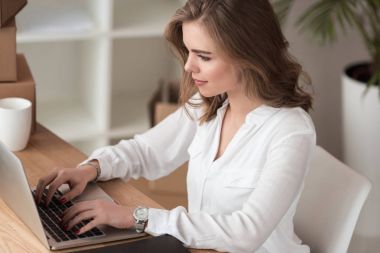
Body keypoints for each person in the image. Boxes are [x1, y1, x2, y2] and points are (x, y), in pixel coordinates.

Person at [35, 0, 316, 252]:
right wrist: (92, 168)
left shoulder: (290, 132)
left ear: (249, 56)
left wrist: (135, 217)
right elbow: (147, 151)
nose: (188, 67)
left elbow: (245, 233)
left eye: (204, 56)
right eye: (189, 52)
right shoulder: (210, 103)